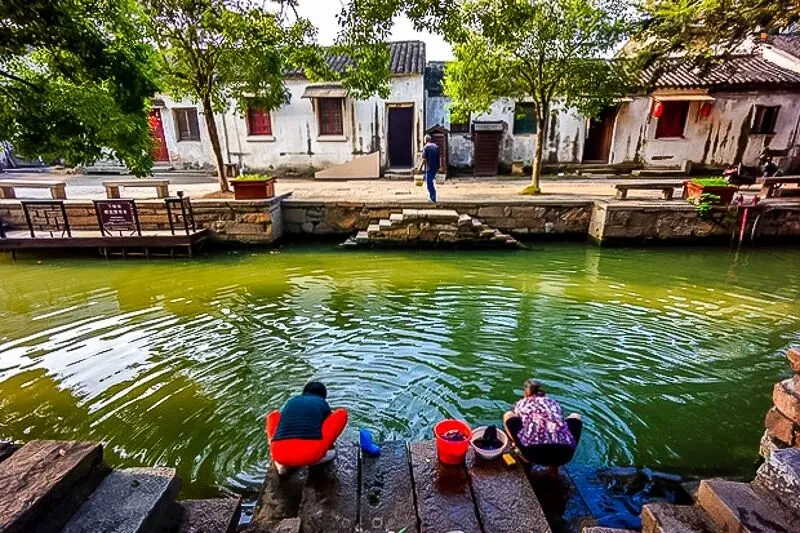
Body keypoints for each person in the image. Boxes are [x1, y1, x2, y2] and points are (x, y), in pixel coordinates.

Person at [265, 381, 348, 474]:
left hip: (279, 454)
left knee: (273, 415)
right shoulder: (322, 402)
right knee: (342, 413)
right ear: (324, 395)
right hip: (312, 455)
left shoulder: (292, 401)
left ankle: (281, 462)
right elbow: (328, 425)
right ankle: (321, 455)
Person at [503, 379, 582, 474]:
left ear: (525, 394)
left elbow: (516, 419)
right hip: (565, 455)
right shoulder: (553, 403)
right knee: (575, 416)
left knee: (508, 415)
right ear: (544, 393)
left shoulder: (522, 403)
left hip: (532, 454)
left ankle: (520, 451)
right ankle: (554, 468)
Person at [418, 135, 440, 203]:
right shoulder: (436, 147)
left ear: (425, 140)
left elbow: (424, 159)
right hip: (435, 167)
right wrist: (439, 167)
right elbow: (439, 158)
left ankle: (433, 197)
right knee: (431, 181)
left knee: (429, 183)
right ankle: (432, 197)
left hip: (429, 167)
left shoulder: (426, 147)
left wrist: (419, 168)